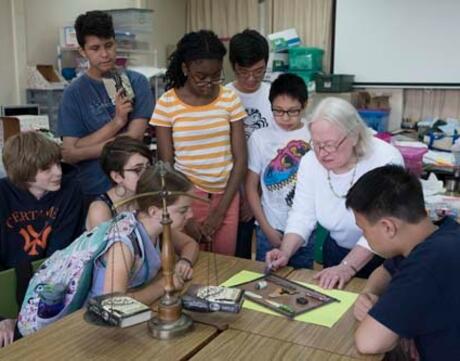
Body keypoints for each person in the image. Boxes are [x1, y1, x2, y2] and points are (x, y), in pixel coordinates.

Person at [266, 97, 404, 287]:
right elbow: (302, 215)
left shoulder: (385, 158)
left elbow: (382, 225)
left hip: (384, 258)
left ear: (354, 135)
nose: (322, 153)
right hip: (338, 250)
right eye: (316, 144)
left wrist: (348, 266)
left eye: (330, 144)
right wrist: (285, 251)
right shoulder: (310, 161)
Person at [346, 165, 460, 361]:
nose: (364, 236)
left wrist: (394, 327)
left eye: (363, 230)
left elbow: (369, 342)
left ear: (388, 227)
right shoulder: (440, 233)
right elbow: (384, 272)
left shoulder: (428, 261)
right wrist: (370, 294)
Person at [150, 30, 247, 256]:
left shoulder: (229, 99)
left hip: (227, 196)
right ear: (185, 69)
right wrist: (186, 214)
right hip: (186, 197)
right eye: (201, 76)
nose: (209, 83)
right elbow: (166, 166)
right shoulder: (167, 104)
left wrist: (221, 211)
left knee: (225, 264)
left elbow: (241, 159)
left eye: (216, 75)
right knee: (190, 261)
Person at [0, 132, 85, 347]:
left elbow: (61, 257)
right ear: (24, 171)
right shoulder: (2, 195)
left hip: (51, 288)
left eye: (57, 163)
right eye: (46, 168)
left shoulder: (70, 190)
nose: (58, 172)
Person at [57, 10, 153, 200]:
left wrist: (80, 148)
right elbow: (68, 154)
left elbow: (133, 139)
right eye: (95, 48)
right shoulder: (73, 94)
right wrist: (117, 122)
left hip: (133, 188)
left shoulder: (136, 82)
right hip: (91, 189)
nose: (104, 54)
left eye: (109, 45)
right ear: (82, 51)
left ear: (115, 43)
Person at [87, 163, 199, 303]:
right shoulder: (123, 244)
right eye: (183, 210)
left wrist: (184, 261)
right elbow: (113, 303)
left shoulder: (157, 228)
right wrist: (163, 285)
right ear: (154, 212)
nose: (191, 215)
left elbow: (190, 244)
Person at [246, 73, 312, 267]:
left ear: (305, 105)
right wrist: (266, 229)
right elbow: (251, 187)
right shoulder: (260, 138)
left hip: (306, 230)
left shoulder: (314, 134)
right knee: (266, 281)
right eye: (278, 111)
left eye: (293, 111)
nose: (285, 118)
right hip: (270, 228)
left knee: (302, 283)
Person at [227, 28, 273, 259]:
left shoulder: (275, 95)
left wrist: (258, 196)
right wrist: (243, 196)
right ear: (233, 66)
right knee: (239, 250)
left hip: (270, 187)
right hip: (234, 190)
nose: (252, 79)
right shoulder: (224, 96)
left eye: (259, 71)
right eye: (244, 72)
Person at [86, 135, 152, 230]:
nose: (147, 173)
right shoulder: (100, 209)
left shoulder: (149, 197)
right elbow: (108, 245)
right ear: (117, 177)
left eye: (149, 167)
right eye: (138, 169)